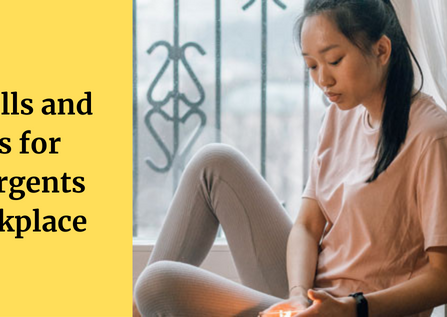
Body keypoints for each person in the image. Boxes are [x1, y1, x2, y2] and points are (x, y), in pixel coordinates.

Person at [133, 0, 447, 316]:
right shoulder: (340, 116)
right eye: (312, 66)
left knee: (156, 286)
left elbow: (442, 278)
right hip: (313, 296)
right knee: (214, 164)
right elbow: (308, 226)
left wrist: (351, 308)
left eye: (334, 60)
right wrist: (297, 295)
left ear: (381, 50)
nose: (323, 79)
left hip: (358, 311)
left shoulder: (431, 136)